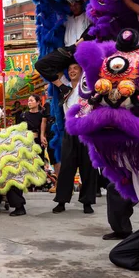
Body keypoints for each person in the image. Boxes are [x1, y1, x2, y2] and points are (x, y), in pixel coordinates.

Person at [52, 63, 97, 214]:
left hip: (86, 127)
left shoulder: (88, 84)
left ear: (82, 71)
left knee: (88, 166)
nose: (72, 71)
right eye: (69, 68)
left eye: (75, 68)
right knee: (66, 166)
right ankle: (61, 201)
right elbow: (46, 67)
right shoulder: (64, 85)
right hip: (70, 128)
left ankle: (87, 202)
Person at [34, 0, 93, 101]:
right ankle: (64, 88)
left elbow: (94, 29)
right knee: (41, 65)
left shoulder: (88, 15)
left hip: (84, 49)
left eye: (76, 4)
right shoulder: (66, 19)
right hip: (67, 52)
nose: (73, 7)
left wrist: (77, 44)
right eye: (71, 5)